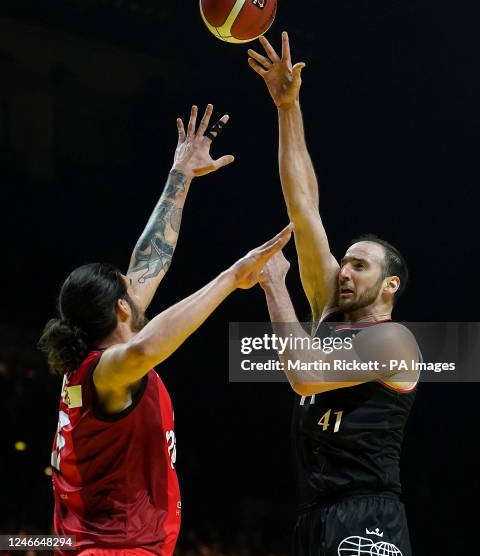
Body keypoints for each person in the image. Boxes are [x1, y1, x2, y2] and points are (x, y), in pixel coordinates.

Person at [39, 103, 293, 556]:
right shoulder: (110, 370)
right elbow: (149, 346)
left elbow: (149, 261)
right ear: (121, 309)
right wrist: (232, 277)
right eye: (127, 285)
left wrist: (181, 176)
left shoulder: (89, 357)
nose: (137, 280)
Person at [247, 33, 420, 556]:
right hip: (313, 512)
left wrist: (275, 284)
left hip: (368, 513)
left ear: (389, 285)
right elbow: (304, 208)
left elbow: (304, 373)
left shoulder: (395, 342)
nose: (344, 270)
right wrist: (287, 106)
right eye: (344, 260)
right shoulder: (331, 307)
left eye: (359, 265)